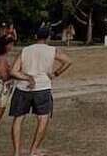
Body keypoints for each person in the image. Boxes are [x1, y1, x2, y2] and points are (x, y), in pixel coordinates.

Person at [9, 27, 72, 156]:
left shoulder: (25, 50)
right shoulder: (52, 50)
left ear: (35, 36)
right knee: (43, 119)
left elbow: (13, 71)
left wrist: (27, 77)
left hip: (23, 87)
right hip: (43, 87)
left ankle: (16, 152)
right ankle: (33, 150)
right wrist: (55, 73)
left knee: (18, 119)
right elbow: (68, 61)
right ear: (48, 37)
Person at [0, 36, 33, 156]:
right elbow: (4, 77)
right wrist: (16, 74)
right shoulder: (2, 59)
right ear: (5, 45)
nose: (11, 47)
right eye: (10, 44)